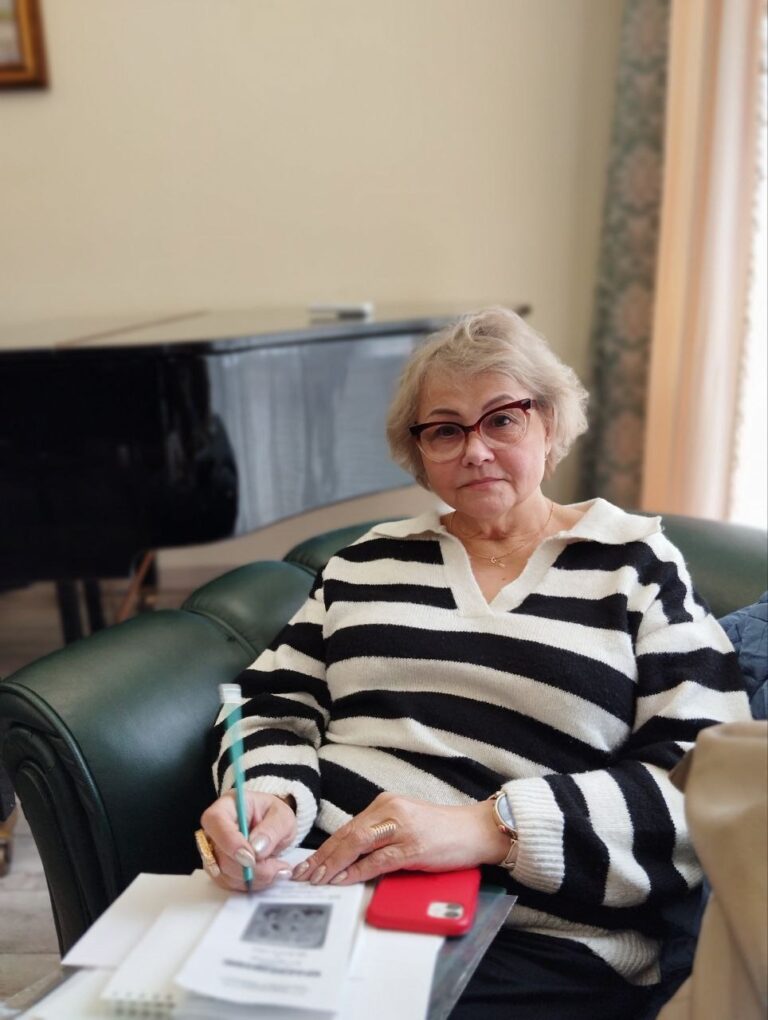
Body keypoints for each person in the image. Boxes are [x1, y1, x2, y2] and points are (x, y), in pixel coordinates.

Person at [199, 307, 750, 1018]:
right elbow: (275, 705)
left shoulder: (635, 566)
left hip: (529, 932)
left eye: (502, 419)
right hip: (314, 888)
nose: (476, 450)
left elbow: (706, 776)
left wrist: (491, 828)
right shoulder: (364, 562)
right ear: (419, 450)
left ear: (549, 424)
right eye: (446, 430)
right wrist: (271, 798)